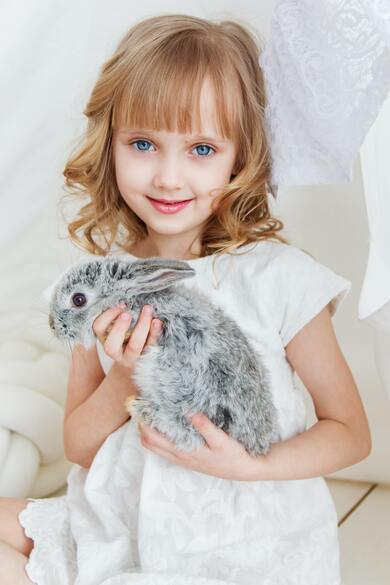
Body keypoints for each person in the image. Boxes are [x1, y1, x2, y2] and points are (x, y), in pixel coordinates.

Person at [0, 13, 372, 585]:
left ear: (240, 156)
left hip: (236, 545)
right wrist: (125, 376)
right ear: (111, 144)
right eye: (144, 144)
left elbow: (350, 431)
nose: (169, 177)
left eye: (201, 148)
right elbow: (79, 446)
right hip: (118, 524)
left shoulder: (279, 281)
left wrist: (252, 465)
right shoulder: (98, 288)